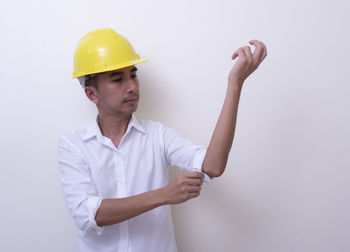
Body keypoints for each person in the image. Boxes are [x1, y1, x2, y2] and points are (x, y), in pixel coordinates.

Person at [57, 28, 267, 252]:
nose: (132, 86)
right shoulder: (72, 145)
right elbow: (88, 214)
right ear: (92, 94)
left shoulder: (158, 136)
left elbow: (212, 166)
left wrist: (235, 85)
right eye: (118, 79)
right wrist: (164, 194)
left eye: (133, 75)